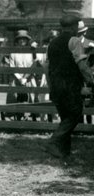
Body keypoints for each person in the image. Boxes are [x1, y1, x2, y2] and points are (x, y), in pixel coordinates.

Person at [43, 15, 94, 159]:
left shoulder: (52, 43)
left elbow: (46, 67)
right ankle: (53, 142)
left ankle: (64, 152)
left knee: (65, 117)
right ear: (73, 27)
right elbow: (82, 65)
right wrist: (90, 80)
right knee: (75, 115)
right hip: (70, 86)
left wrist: (51, 86)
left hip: (56, 85)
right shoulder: (75, 41)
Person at [8, 30, 38, 121]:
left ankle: (33, 116)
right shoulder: (13, 53)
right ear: (16, 41)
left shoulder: (31, 51)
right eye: (19, 39)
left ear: (27, 40)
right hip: (16, 78)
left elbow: (34, 64)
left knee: (32, 96)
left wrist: (25, 78)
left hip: (28, 78)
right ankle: (17, 116)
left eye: (24, 39)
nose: (22, 41)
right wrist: (19, 78)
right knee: (14, 96)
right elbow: (12, 66)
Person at [77, 20, 94, 124]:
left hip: (87, 76)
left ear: (84, 32)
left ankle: (88, 124)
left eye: (81, 32)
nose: (79, 35)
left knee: (88, 101)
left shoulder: (91, 44)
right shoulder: (71, 44)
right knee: (78, 102)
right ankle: (80, 126)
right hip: (75, 77)